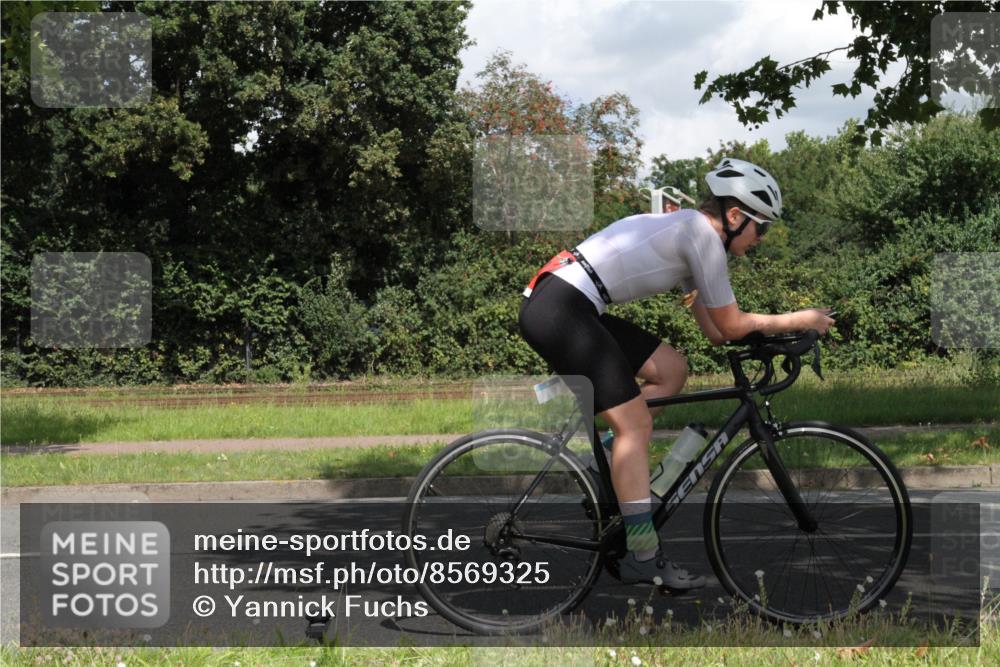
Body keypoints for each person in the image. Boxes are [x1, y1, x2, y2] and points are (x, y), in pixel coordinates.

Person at [518, 158, 834, 588]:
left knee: (671, 369)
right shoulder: (700, 235)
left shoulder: (695, 237)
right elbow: (732, 324)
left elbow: (716, 333)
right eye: (763, 227)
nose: (762, 238)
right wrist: (799, 319)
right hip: (562, 308)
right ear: (736, 216)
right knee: (637, 425)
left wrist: (765, 339)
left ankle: (612, 459)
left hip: (568, 303)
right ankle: (643, 555)